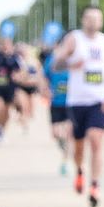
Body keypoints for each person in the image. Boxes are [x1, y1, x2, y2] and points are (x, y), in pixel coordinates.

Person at [53, 6, 104, 207]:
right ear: (83, 20)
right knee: (79, 146)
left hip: (99, 101)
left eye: (96, 18)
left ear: (102, 22)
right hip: (77, 101)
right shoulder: (74, 39)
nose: (92, 22)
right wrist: (71, 63)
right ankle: (80, 171)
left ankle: (95, 185)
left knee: (96, 141)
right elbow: (56, 65)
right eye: (89, 18)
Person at [42, 43, 71, 172]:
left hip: (70, 103)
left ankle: (65, 162)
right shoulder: (51, 60)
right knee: (55, 134)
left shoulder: (74, 59)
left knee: (68, 133)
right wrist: (45, 89)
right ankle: (64, 147)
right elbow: (44, 77)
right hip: (55, 102)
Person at [0, 34, 20, 137]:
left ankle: (1, 130)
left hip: (9, 88)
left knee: (6, 113)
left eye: (8, 44)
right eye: (4, 44)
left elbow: (20, 71)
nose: (6, 46)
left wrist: (17, 76)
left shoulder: (14, 57)